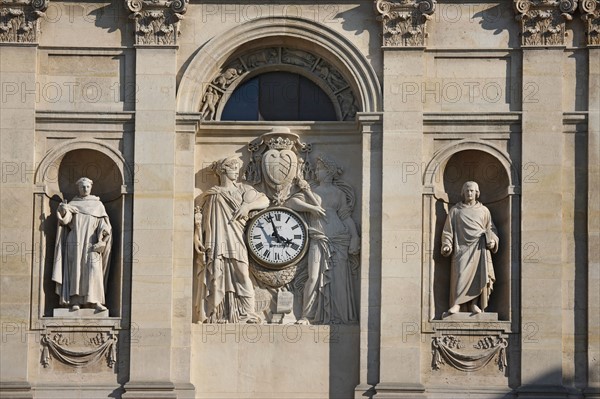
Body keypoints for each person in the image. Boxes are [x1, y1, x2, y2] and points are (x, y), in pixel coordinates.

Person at [195, 156, 269, 323]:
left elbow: (265, 200)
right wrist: (198, 236)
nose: (237, 170)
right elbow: (203, 220)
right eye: (233, 167)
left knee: (243, 273)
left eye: (237, 167)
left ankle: (248, 313)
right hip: (217, 240)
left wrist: (248, 206)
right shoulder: (212, 194)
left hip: (237, 237)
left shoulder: (243, 189)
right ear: (223, 170)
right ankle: (218, 313)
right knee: (217, 275)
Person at [288, 155, 360, 324]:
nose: (315, 172)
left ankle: (341, 317)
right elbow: (291, 203)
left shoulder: (338, 194)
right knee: (313, 277)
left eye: (319, 169)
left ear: (328, 172)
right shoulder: (311, 191)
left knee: (340, 279)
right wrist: (312, 207)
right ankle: (308, 315)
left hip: (338, 238)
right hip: (319, 238)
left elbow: (346, 217)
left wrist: (355, 237)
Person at [52, 177, 112, 312]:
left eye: (87, 187)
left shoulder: (98, 205)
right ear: (78, 188)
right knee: (75, 270)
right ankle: (75, 301)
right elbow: (65, 221)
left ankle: (95, 301)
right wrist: (63, 209)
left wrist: (102, 240)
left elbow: (104, 225)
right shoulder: (73, 204)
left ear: (91, 187)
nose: (85, 189)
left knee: (93, 269)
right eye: (82, 187)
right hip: (74, 242)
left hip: (91, 243)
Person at [441, 181, 498, 315]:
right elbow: (448, 230)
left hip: (479, 248)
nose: (469, 193)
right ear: (463, 193)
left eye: (472, 191)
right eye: (467, 191)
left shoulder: (484, 211)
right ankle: (457, 304)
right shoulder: (455, 210)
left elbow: (491, 229)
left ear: (477, 193)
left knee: (478, 276)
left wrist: (493, 242)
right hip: (461, 249)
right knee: (460, 274)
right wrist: (447, 244)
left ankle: (474, 304)